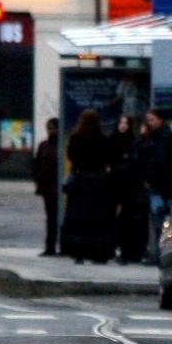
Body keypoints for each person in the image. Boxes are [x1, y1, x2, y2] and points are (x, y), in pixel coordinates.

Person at [60, 108, 114, 262]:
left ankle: (78, 253)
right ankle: (97, 253)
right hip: (99, 182)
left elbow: (71, 156)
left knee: (79, 219)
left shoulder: (76, 138)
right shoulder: (103, 139)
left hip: (81, 181)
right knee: (97, 219)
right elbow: (109, 157)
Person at [135, 108, 172, 264]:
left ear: (160, 120)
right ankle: (160, 255)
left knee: (160, 223)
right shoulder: (160, 136)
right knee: (160, 222)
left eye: (151, 119)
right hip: (161, 186)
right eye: (147, 120)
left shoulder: (162, 137)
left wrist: (150, 179)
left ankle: (161, 256)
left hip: (160, 187)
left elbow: (158, 162)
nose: (149, 123)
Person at [109, 114, 145, 263]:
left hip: (128, 186)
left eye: (126, 123)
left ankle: (125, 251)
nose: (123, 126)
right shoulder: (112, 141)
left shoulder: (133, 142)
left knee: (126, 218)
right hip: (114, 184)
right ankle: (111, 248)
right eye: (120, 122)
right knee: (112, 216)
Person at [31, 117, 60, 256]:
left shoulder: (60, 145)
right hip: (47, 187)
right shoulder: (44, 145)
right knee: (51, 218)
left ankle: (55, 246)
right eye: (49, 128)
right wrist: (37, 179)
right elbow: (37, 164)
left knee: (55, 218)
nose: (51, 131)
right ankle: (50, 247)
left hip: (57, 187)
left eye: (54, 128)